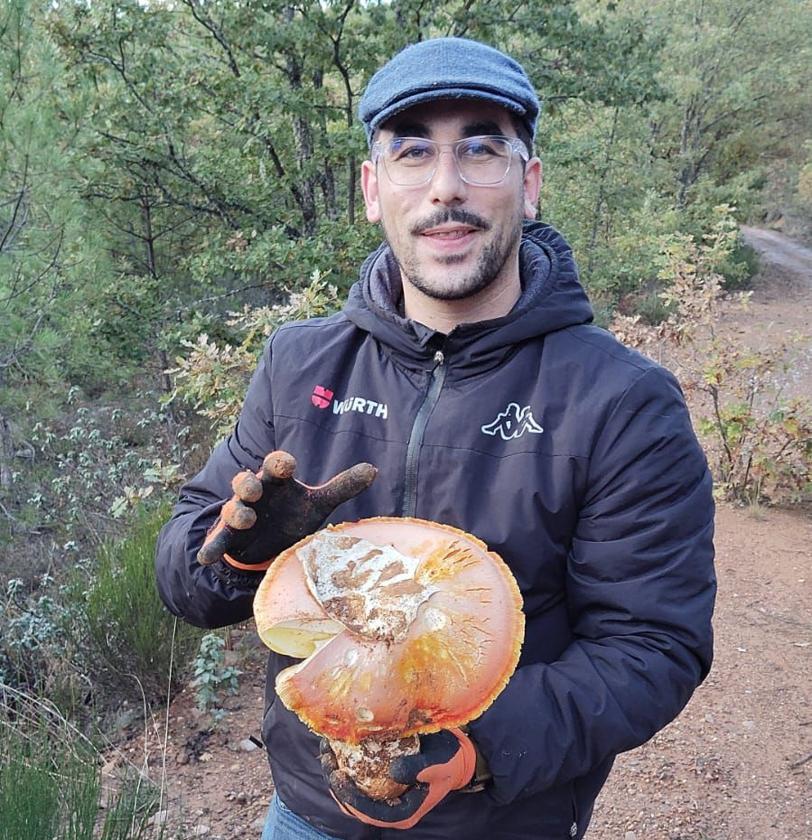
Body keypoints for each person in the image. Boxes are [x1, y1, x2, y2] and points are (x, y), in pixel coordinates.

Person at [156, 37, 716, 840]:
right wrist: (238, 555)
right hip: (308, 816)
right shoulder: (299, 362)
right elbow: (184, 583)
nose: (446, 187)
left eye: (481, 150)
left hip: (504, 822)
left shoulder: (622, 401)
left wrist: (476, 750)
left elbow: (652, 644)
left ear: (527, 185)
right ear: (373, 189)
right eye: (414, 153)